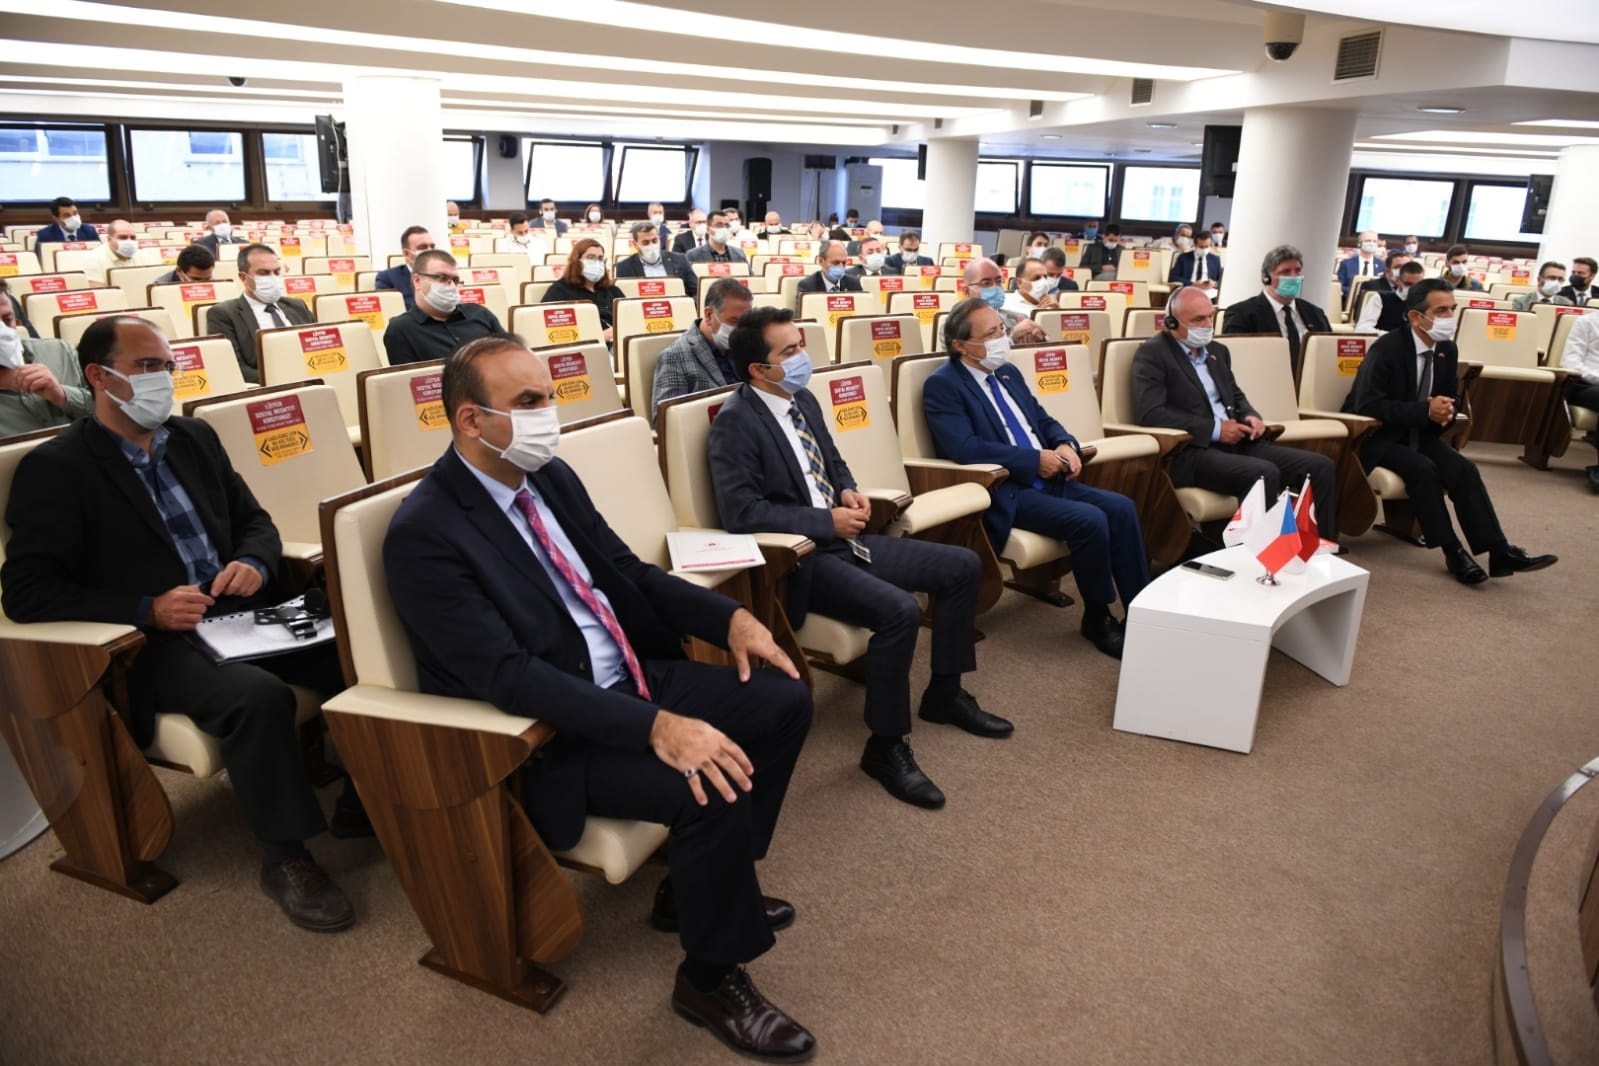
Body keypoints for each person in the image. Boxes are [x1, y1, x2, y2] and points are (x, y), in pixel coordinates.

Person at [384, 335, 817, 1062]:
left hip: (628, 676)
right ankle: (709, 979)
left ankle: (700, 886)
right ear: (469, 419)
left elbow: (627, 573)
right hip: (555, 733)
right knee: (708, 784)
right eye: (528, 402)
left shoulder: (547, 475)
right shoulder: (425, 531)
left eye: (549, 397)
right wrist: (655, 727)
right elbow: (509, 676)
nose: (547, 415)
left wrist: (729, 619)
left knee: (783, 702)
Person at [2, 315, 362, 932]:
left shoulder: (193, 437)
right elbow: (28, 592)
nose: (163, 379)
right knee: (257, 698)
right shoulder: (58, 468)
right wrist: (146, 608)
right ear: (98, 377)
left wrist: (253, 560)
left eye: (167, 366)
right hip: (156, 641)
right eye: (146, 366)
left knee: (355, 655)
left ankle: (365, 797)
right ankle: (285, 856)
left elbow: (255, 521)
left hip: (238, 611)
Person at [708, 306, 1009, 810]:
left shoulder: (802, 399)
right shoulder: (735, 422)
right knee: (900, 611)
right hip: (803, 560)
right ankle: (885, 746)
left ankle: (945, 693)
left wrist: (848, 491)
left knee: (962, 566)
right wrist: (824, 522)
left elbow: (832, 461)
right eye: (790, 351)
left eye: (801, 345)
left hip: (847, 539)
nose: (803, 357)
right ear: (759, 369)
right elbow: (742, 513)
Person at [924, 297, 1149, 658]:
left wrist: (1064, 443)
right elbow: (965, 448)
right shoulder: (943, 385)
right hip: (1008, 489)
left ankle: (1142, 612)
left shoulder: (1007, 373)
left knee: (1122, 508)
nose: (1002, 338)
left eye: (1001, 329)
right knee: (1090, 520)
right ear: (961, 345)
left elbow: (1042, 420)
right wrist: (1033, 461)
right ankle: (1098, 617)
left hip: (1052, 477)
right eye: (991, 333)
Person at [1345, 279, 1558, 581]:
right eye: (1441, 311)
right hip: (1377, 437)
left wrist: (1447, 407)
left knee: (1464, 469)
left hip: (1418, 433)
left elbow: (1449, 395)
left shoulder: (1446, 348)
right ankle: (1453, 551)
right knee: (1423, 470)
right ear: (1416, 317)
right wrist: (1424, 410)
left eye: (1452, 309)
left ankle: (1499, 551)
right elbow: (1367, 405)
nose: (1450, 317)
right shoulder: (1387, 348)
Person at [1134, 286, 1339, 544]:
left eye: (1210, 316)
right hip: (1192, 451)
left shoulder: (1217, 351)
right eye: (1198, 320)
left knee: (1319, 467)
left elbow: (1235, 395)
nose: (1207, 325)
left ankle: (1319, 549)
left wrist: (1251, 415)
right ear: (1172, 323)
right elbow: (1151, 413)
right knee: (1263, 473)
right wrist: (1216, 430)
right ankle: (1257, 556)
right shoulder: (1153, 354)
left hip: (1238, 443)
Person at [205, 244, 314, 383]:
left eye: (276, 272)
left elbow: (317, 349)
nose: (273, 278)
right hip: (269, 387)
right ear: (244, 278)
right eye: (263, 273)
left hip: (312, 379)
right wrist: (285, 380)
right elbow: (235, 368)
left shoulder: (297, 305)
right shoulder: (223, 314)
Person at [1221, 244, 1331, 379]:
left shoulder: (1315, 313)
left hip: (1312, 383)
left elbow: (1329, 354)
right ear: (1266, 277)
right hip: (1264, 382)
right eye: (1286, 272)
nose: (1294, 277)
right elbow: (1236, 361)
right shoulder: (1241, 314)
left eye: (1297, 271)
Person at [649, 278, 753, 422]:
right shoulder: (674, 357)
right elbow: (665, 421)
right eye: (733, 321)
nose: (740, 330)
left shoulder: (747, 347)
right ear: (709, 315)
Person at [0, 282, 92, 437]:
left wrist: (63, 395)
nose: (4, 332)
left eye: (8, 320)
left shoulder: (59, 351)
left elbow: (116, 411)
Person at [383, 249, 503, 365]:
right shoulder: (401, 330)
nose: (451, 286)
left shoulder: (480, 313)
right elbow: (412, 377)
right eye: (442, 278)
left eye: (455, 280)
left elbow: (508, 355)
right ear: (417, 281)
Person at [542, 238, 625, 345]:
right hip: (584, 348)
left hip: (619, 346)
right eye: (591, 257)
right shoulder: (559, 291)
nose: (596, 263)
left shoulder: (612, 290)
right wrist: (600, 336)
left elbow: (630, 318)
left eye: (600, 258)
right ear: (577, 260)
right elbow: (552, 333)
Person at [960, 259, 1045, 344]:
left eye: (999, 281)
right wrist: (1012, 336)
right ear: (967, 291)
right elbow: (975, 350)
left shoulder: (1019, 318)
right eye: (986, 283)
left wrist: (1039, 340)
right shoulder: (958, 325)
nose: (995, 287)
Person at [614, 221, 698, 295]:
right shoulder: (624, 267)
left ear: (659, 239)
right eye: (645, 242)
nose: (651, 245)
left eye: (654, 241)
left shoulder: (680, 260)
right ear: (635, 244)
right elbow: (623, 299)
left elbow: (696, 291)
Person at [374, 226, 435, 311]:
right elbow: (390, 312)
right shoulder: (387, 278)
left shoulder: (446, 276)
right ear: (406, 253)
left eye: (432, 246)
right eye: (422, 247)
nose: (430, 251)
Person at [1356, 260, 1426, 333]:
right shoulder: (1380, 299)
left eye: (1417, 285)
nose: (1413, 288)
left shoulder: (1426, 302)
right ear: (1398, 280)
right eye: (1408, 284)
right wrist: (1392, 337)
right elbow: (1362, 329)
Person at [1168, 230, 1223, 299]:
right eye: (1201, 247)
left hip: (1209, 292)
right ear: (1195, 245)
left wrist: (1214, 284)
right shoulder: (1183, 257)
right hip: (1188, 289)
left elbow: (1221, 279)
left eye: (1206, 246)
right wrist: (1193, 283)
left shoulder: (1215, 259)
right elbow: (1173, 277)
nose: (1204, 249)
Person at [795, 241, 862, 294]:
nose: (841, 267)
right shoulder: (808, 286)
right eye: (836, 263)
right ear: (821, 261)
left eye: (844, 263)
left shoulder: (854, 283)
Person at [34, 196, 100, 246]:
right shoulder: (45, 235)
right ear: (56, 218)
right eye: (67, 215)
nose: (73, 218)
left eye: (75, 213)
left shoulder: (90, 231)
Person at [1510, 261, 1574, 312]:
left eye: (1560, 279)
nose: (1556, 282)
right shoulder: (1520, 302)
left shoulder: (1568, 304)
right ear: (1539, 280)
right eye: (1552, 278)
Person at [1337, 230, 1385, 296]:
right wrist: (1357, 291)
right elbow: (1339, 286)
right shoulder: (1346, 264)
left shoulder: (1382, 265)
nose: (1371, 243)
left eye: (1374, 241)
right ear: (1359, 243)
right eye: (1368, 241)